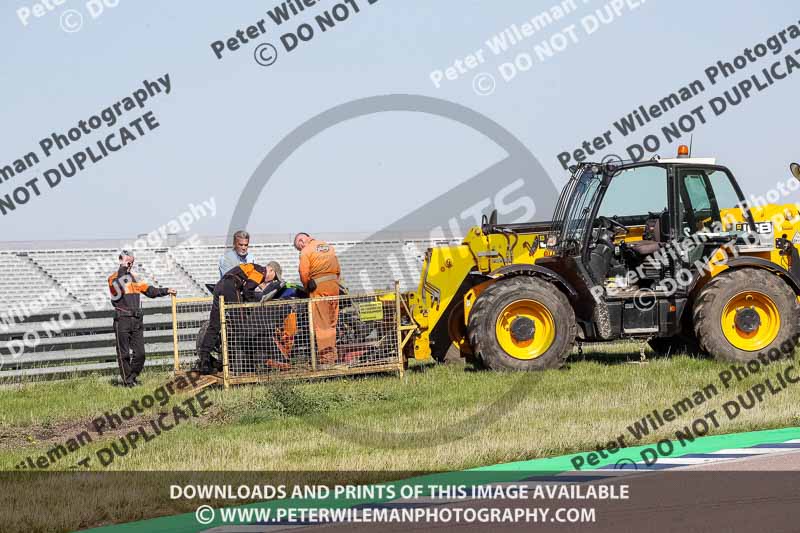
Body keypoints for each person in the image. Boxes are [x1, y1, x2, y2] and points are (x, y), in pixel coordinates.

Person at [108, 250, 176, 387]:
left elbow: (150, 291)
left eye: (131, 262)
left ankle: (132, 377)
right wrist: (123, 268)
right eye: (127, 262)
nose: (130, 265)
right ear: (121, 261)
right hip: (122, 319)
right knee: (124, 354)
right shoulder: (113, 278)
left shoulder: (135, 278)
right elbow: (118, 287)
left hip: (136, 320)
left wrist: (166, 290)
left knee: (140, 354)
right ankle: (128, 382)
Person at [197, 262, 277, 374]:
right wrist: (255, 305)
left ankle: (204, 361)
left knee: (214, 325)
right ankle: (242, 364)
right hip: (231, 287)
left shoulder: (251, 267)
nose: (269, 281)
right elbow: (248, 289)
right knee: (240, 325)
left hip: (219, 286)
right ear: (271, 270)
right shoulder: (260, 271)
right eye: (273, 278)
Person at [294, 233, 342, 365]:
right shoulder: (328, 246)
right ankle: (333, 356)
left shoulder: (306, 250)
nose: (300, 249)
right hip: (334, 286)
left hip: (319, 289)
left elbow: (303, 272)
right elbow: (338, 269)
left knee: (322, 325)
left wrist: (307, 286)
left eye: (299, 246)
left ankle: (327, 360)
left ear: (301, 241)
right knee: (332, 324)